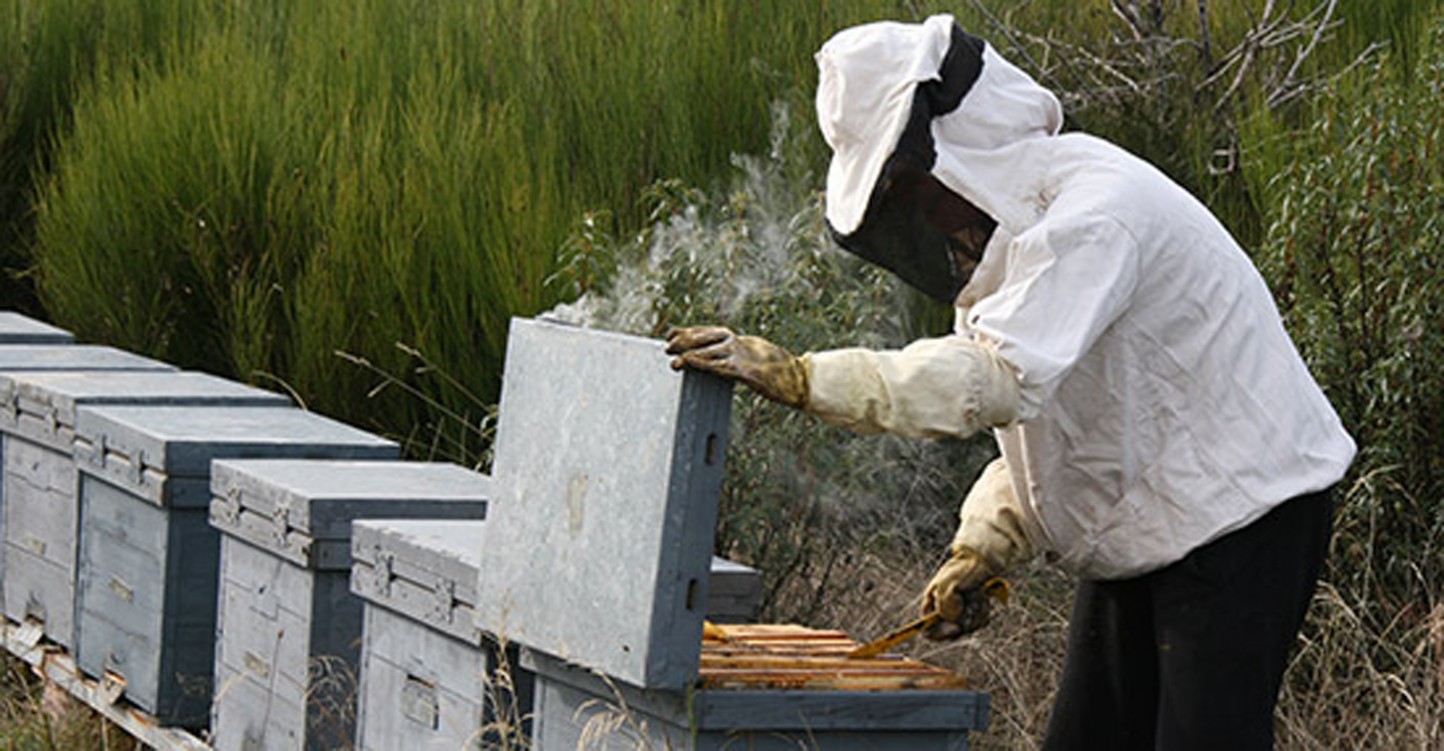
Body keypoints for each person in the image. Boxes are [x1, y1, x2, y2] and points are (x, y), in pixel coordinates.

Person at [665, 14, 1355, 751]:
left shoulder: (1092, 215)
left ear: (956, 146)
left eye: (911, 183)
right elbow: (1049, 432)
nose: (921, 211)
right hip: (1150, 513)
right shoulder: (1016, 247)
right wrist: (982, 548)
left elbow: (993, 383)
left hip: (1245, 511)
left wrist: (805, 377)